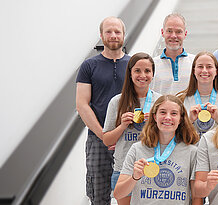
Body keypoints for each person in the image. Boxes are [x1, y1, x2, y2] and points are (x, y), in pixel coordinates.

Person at [76, 16, 130, 205]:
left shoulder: (134, 66)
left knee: (131, 194)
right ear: (101, 35)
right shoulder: (89, 66)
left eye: (117, 31)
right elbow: (82, 104)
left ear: (124, 35)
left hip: (129, 139)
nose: (113, 35)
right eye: (109, 31)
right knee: (98, 196)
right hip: (97, 140)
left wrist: (118, 134)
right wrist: (104, 135)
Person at [113, 95, 202, 205]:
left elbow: (197, 197)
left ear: (180, 119)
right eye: (163, 112)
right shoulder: (137, 149)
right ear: (155, 117)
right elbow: (118, 194)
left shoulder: (192, 152)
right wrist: (134, 177)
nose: (168, 117)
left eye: (174, 113)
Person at [102, 53, 161, 204]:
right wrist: (122, 126)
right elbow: (107, 140)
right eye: (137, 71)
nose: (143, 75)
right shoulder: (117, 101)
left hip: (152, 167)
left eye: (147, 71)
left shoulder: (159, 101)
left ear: (153, 74)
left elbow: (168, 137)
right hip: (123, 169)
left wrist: (155, 124)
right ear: (130, 73)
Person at [178, 51, 218, 137]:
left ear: (216, 71)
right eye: (200, 66)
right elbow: (174, 133)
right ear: (194, 71)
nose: (204, 70)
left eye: (209, 67)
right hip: (190, 148)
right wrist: (189, 120)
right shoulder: (180, 99)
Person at [150, 13, 193, 95]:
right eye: (169, 31)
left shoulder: (195, 62)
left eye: (178, 32)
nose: (173, 36)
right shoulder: (151, 64)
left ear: (185, 34)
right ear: (162, 32)